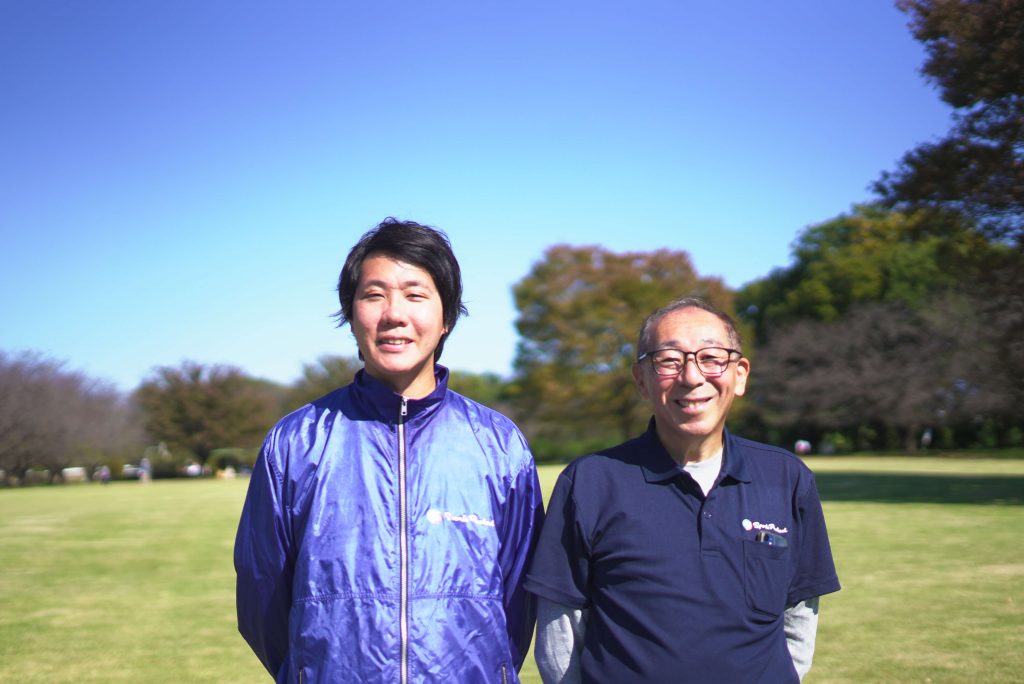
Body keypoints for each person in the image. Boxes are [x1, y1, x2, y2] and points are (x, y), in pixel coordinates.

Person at [235, 218, 544, 683]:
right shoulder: (295, 442)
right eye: (373, 295)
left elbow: (520, 597)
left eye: (415, 295)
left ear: (446, 318)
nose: (393, 314)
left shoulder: (499, 444)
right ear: (351, 312)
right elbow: (263, 598)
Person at [525, 297, 840, 683]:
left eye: (711, 358)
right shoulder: (590, 482)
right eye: (669, 360)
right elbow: (561, 629)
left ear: (739, 375)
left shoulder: (787, 478)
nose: (692, 377)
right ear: (642, 380)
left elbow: (799, 616)